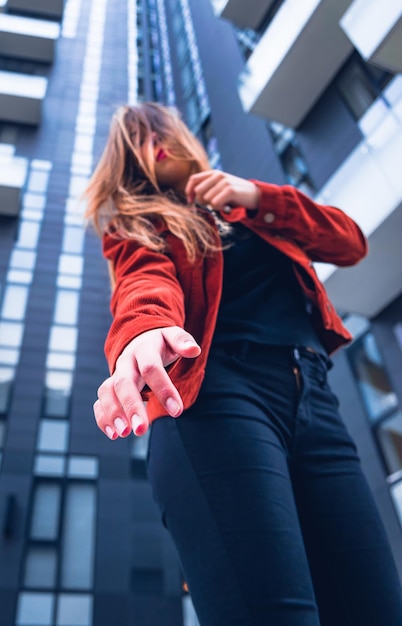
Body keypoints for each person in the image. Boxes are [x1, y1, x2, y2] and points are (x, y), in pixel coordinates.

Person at [85, 102, 402, 626]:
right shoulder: (137, 223)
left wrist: (257, 196)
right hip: (220, 400)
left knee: (377, 610)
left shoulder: (249, 207)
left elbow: (348, 242)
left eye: (160, 128)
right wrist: (141, 333)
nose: (154, 140)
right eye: (137, 136)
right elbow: (143, 281)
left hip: (315, 400)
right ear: (128, 158)